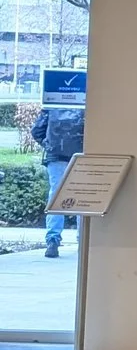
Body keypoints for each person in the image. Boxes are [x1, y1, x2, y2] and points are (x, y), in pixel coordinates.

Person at [32, 103, 80, 259]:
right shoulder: (86, 106)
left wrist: (49, 146)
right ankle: (84, 239)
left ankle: (53, 240)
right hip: (80, 156)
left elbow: (37, 131)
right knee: (83, 197)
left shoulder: (51, 105)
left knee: (56, 196)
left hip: (55, 157)